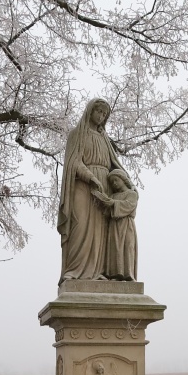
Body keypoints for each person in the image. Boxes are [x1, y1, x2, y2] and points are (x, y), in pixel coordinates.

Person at [57, 98, 125, 282]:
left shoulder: (105, 139)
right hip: (83, 184)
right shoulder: (77, 134)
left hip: (104, 188)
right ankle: (73, 270)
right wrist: (91, 177)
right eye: (99, 112)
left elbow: (114, 165)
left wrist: (126, 185)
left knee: (100, 229)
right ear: (90, 111)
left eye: (104, 114)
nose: (101, 116)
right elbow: (74, 162)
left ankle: (97, 272)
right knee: (80, 226)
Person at [91, 169, 138, 281]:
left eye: (116, 180)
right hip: (114, 226)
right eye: (112, 182)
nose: (114, 184)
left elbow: (129, 205)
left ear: (123, 179)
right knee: (115, 248)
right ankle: (115, 274)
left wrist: (112, 203)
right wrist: (102, 201)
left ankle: (128, 274)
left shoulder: (132, 194)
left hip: (126, 225)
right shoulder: (113, 195)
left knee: (127, 247)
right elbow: (108, 212)